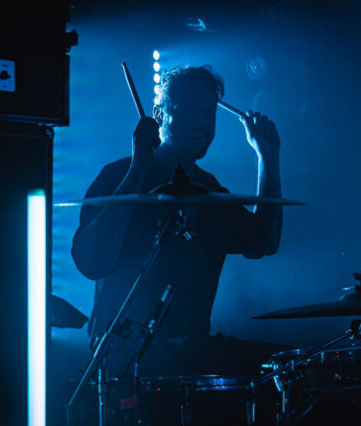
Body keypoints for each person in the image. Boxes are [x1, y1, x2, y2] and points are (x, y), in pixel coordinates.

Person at [71, 65, 284, 376]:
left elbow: (266, 240)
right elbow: (91, 262)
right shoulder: (116, 176)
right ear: (159, 113)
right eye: (189, 110)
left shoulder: (209, 191)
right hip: (122, 361)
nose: (202, 123)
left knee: (287, 366)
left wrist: (268, 158)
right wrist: (138, 168)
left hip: (190, 356)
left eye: (208, 112)